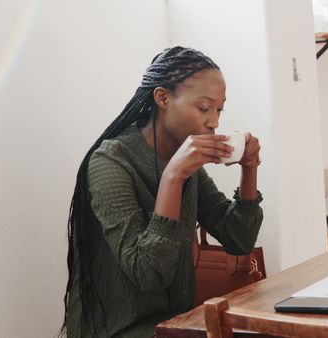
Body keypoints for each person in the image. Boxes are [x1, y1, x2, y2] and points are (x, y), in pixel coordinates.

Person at [61, 47, 263, 337]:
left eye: (219, 109)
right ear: (163, 98)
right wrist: (173, 176)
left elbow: (239, 238)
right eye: (204, 108)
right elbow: (148, 273)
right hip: (120, 331)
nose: (214, 122)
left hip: (175, 326)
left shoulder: (185, 159)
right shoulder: (111, 162)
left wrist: (250, 167)